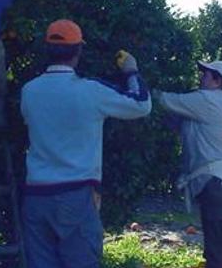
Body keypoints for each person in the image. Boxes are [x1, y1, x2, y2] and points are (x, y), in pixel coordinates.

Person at [20, 20, 151, 268]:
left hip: (36, 196)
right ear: (78, 51)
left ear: (47, 49)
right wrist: (131, 71)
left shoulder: (29, 91)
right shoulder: (91, 91)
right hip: (75, 196)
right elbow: (141, 105)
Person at [155, 60, 222, 268]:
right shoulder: (215, 104)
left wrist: (135, 80)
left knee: (219, 252)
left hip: (221, 185)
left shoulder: (209, 100)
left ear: (217, 81)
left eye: (206, 74)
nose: (201, 77)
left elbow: (164, 100)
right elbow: (183, 123)